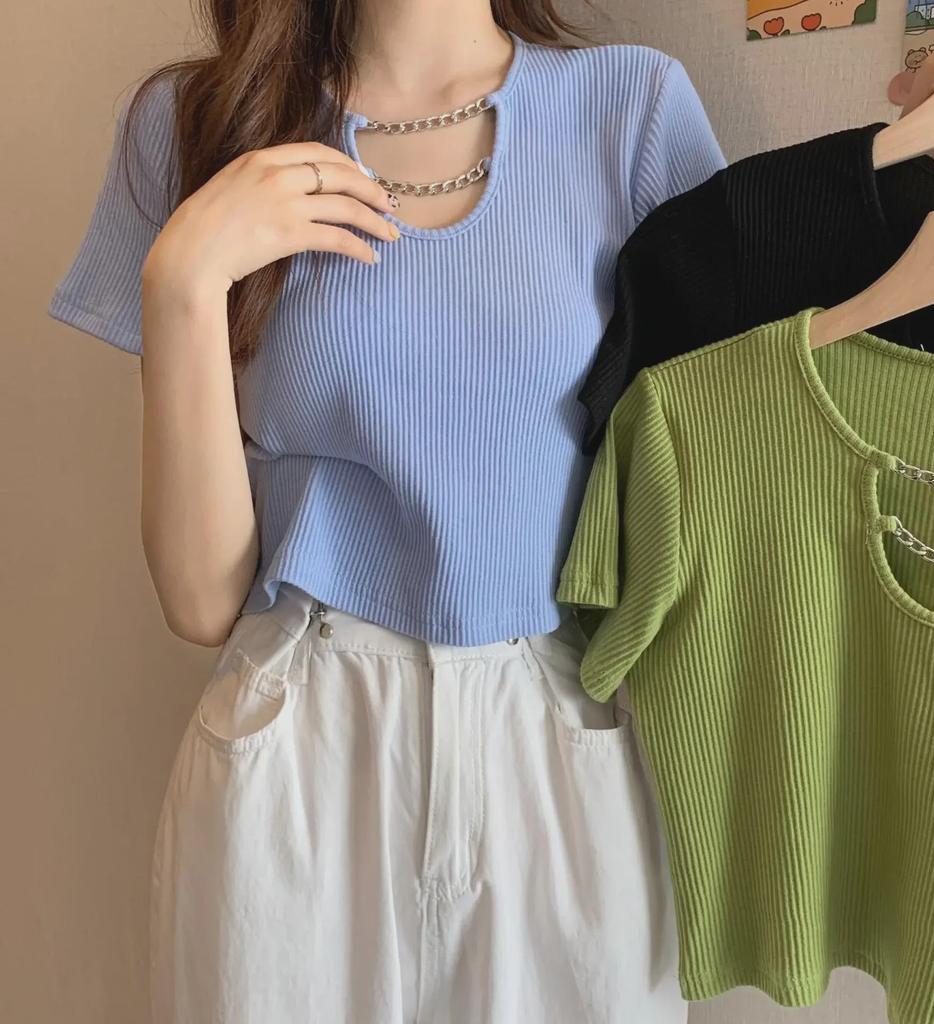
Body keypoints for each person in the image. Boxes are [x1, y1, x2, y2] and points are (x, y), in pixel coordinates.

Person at [49, 3, 724, 1022]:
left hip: (556, 730)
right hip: (299, 733)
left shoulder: (631, 110)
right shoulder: (197, 119)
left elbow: (753, 435)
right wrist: (184, 279)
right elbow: (198, 600)